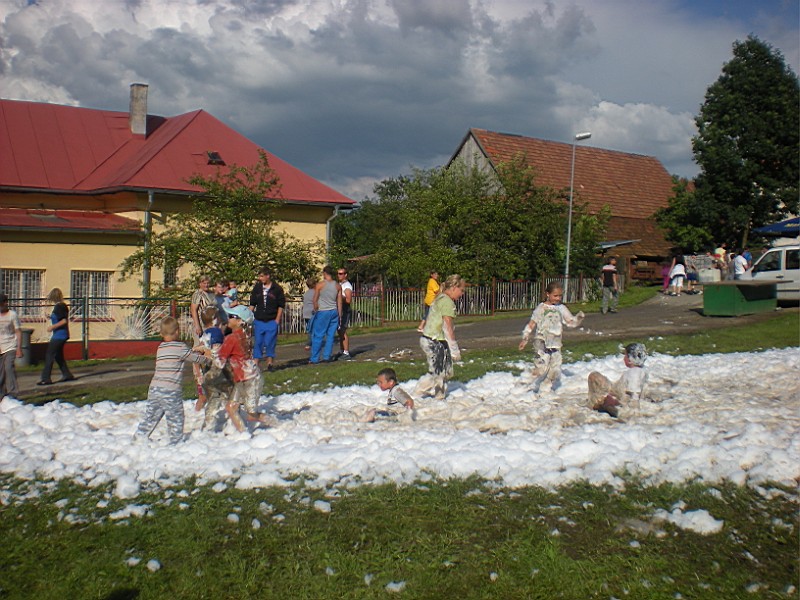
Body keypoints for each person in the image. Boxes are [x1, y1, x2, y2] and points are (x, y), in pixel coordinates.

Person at [135, 317, 209, 445]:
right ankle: (175, 442)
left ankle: (140, 436)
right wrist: (208, 359)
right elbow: (193, 358)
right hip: (170, 390)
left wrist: (193, 350)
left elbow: (180, 354)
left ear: (161, 333)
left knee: (151, 415)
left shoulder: (161, 347)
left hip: (155, 388)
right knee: (175, 417)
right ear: (177, 332)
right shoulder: (180, 347)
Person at [214, 304, 273, 431]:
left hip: (250, 380)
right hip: (246, 377)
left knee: (251, 414)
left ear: (240, 321)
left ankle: (275, 423)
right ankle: (242, 433)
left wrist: (207, 352)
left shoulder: (231, 338)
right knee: (231, 407)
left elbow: (219, 362)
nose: (228, 318)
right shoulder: (245, 335)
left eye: (231, 316)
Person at [518, 282, 585, 393]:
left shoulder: (561, 308)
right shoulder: (541, 308)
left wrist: (578, 319)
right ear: (547, 294)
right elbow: (531, 324)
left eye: (560, 296)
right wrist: (525, 338)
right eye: (555, 296)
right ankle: (526, 383)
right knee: (541, 368)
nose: (558, 298)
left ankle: (546, 390)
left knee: (555, 370)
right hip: (541, 341)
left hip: (555, 343)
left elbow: (570, 322)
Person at [413, 274, 465, 401]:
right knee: (438, 372)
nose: (462, 293)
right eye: (461, 290)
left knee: (446, 371)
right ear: (454, 288)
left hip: (436, 340)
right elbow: (447, 326)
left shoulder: (441, 298)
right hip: (433, 341)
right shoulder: (446, 302)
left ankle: (439, 396)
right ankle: (417, 395)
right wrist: (454, 348)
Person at [588, 342, 648, 419]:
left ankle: (592, 406)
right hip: (618, 393)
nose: (624, 358)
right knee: (594, 376)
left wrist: (614, 402)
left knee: (594, 378)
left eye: (625, 355)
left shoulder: (634, 373)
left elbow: (634, 398)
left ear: (630, 359)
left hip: (620, 405)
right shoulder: (641, 370)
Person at [197, 306, 234, 431]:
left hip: (208, 372)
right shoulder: (217, 333)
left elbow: (201, 353)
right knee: (229, 395)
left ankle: (208, 424)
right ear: (214, 319)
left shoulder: (203, 335)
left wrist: (199, 373)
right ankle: (233, 422)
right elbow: (219, 352)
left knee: (213, 399)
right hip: (219, 371)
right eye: (218, 316)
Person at [249, 266, 285, 371]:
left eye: (262, 276)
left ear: (267, 276)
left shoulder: (277, 289)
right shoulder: (257, 288)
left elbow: (281, 305)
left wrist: (277, 320)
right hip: (259, 320)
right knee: (258, 342)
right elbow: (252, 304)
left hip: (271, 320)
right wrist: (247, 316)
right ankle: (256, 364)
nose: (260, 278)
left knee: (270, 342)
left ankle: (270, 363)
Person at [37, 288, 75, 386]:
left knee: (49, 355)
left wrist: (52, 327)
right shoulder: (61, 306)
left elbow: (64, 321)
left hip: (59, 335)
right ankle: (67, 374)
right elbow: (60, 318)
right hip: (62, 335)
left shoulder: (59, 306)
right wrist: (50, 317)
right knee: (58, 356)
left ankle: (46, 378)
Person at [309, 266, 342, 364]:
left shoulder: (320, 285)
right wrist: (339, 315)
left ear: (324, 273)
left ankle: (314, 358)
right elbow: (339, 302)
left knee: (318, 335)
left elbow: (315, 300)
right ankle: (326, 356)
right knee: (330, 335)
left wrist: (315, 309)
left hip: (323, 311)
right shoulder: (337, 286)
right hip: (334, 311)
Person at [0, 293, 23, 399]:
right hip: (1, 347)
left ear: (5, 303)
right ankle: (2, 394)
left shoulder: (12, 315)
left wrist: (19, 348)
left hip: (11, 346)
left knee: (8, 367)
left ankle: (13, 393)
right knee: (1, 372)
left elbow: (18, 331)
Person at [337, 267, 354, 360]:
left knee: (343, 330)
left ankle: (346, 352)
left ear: (345, 275)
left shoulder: (347, 285)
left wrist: (340, 296)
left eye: (341, 273)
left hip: (344, 309)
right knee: (339, 330)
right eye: (338, 273)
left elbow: (348, 299)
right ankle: (342, 350)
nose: (339, 275)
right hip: (339, 309)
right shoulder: (340, 284)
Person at [302, 276, 317, 351]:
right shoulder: (315, 293)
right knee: (314, 328)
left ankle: (310, 342)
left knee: (309, 328)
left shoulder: (306, 294)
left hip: (305, 312)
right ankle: (310, 343)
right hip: (312, 312)